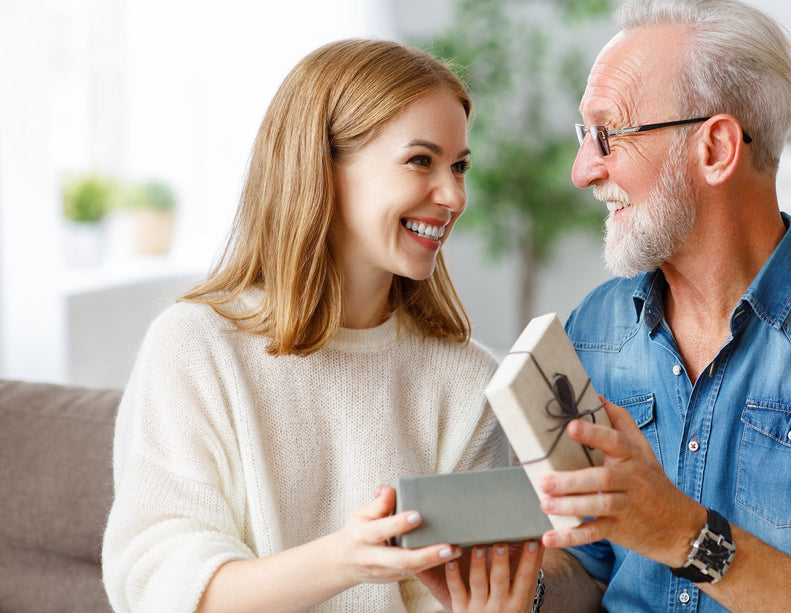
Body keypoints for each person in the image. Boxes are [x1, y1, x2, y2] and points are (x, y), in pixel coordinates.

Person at [535, 1, 791, 611]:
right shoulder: (593, 332)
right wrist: (525, 587)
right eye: (584, 136)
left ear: (716, 149)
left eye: (609, 134)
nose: (582, 171)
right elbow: (592, 565)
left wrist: (685, 535)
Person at [102, 39, 542, 613]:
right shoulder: (195, 346)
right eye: (420, 160)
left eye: (458, 166)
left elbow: (456, 593)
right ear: (321, 166)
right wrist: (345, 560)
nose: (454, 195)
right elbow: (159, 587)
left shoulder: (467, 381)